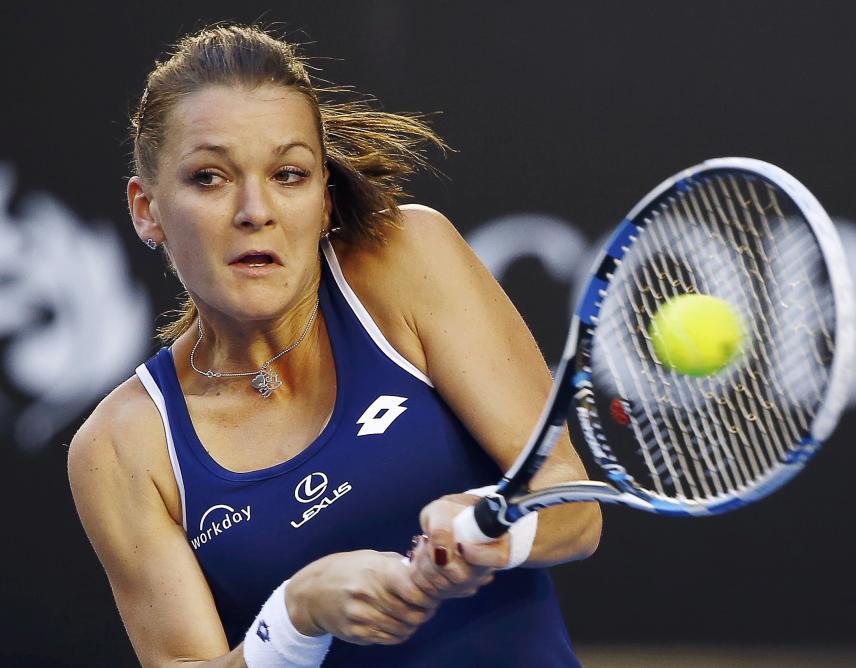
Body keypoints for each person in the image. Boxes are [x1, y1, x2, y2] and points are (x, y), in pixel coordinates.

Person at [68, 23, 601, 668]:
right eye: (210, 177)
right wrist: (296, 616)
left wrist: (495, 529)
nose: (255, 209)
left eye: (289, 173)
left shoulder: (407, 259)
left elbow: (573, 504)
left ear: (323, 199)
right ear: (146, 208)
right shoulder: (123, 448)